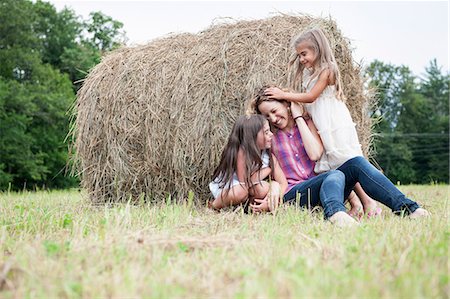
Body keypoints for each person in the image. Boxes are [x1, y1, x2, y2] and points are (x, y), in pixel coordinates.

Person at [247, 86, 430, 225]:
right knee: (334, 174)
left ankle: (408, 208)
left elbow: (315, 153)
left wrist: (299, 118)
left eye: (274, 111)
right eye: (266, 115)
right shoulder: (269, 137)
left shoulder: (307, 123)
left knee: (356, 163)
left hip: (326, 187)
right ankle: (336, 214)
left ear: (287, 105)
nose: (272, 118)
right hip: (296, 194)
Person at [264, 28, 380, 218]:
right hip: (319, 122)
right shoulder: (309, 73)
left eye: (304, 54)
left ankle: (369, 202)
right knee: (333, 165)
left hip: (332, 121)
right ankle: (356, 204)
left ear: (317, 49)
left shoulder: (327, 70)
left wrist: (283, 94)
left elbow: (310, 97)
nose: (301, 59)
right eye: (299, 55)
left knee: (346, 161)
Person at [209, 114, 288, 213]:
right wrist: (268, 170)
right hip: (232, 187)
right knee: (241, 192)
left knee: (262, 189)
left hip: (249, 189)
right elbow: (246, 183)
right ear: (252, 137)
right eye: (266, 132)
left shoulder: (268, 157)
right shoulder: (241, 153)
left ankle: (251, 208)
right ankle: (214, 206)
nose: (271, 134)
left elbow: (283, 183)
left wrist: (272, 197)